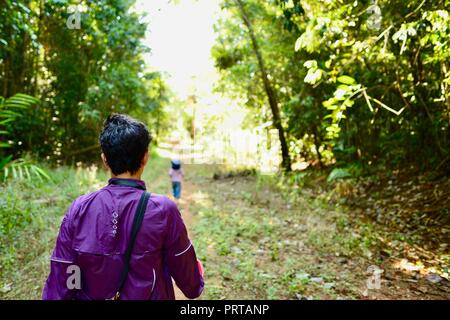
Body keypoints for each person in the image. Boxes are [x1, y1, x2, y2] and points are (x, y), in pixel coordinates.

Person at [42, 114, 204, 300]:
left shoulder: (79, 209)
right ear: (145, 158)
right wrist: (197, 278)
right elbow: (189, 282)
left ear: (104, 160)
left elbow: (64, 274)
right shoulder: (163, 210)